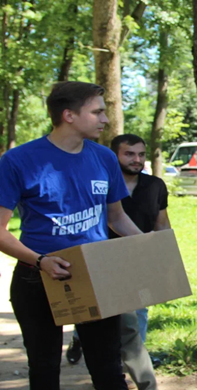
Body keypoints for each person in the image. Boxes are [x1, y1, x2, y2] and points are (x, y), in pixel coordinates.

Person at [0, 81, 143, 389]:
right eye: (98, 112)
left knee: (108, 368)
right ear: (69, 115)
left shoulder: (104, 158)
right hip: (37, 278)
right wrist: (40, 261)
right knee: (44, 368)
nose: (105, 119)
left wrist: (150, 247)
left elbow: (116, 217)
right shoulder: (18, 161)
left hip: (96, 274)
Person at [67, 134, 169, 389]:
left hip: (138, 259)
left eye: (141, 154)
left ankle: (138, 377)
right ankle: (85, 338)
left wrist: (165, 256)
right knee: (100, 317)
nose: (137, 160)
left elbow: (162, 223)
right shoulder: (99, 183)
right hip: (102, 261)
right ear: (114, 156)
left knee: (135, 319)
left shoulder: (156, 185)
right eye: (129, 154)